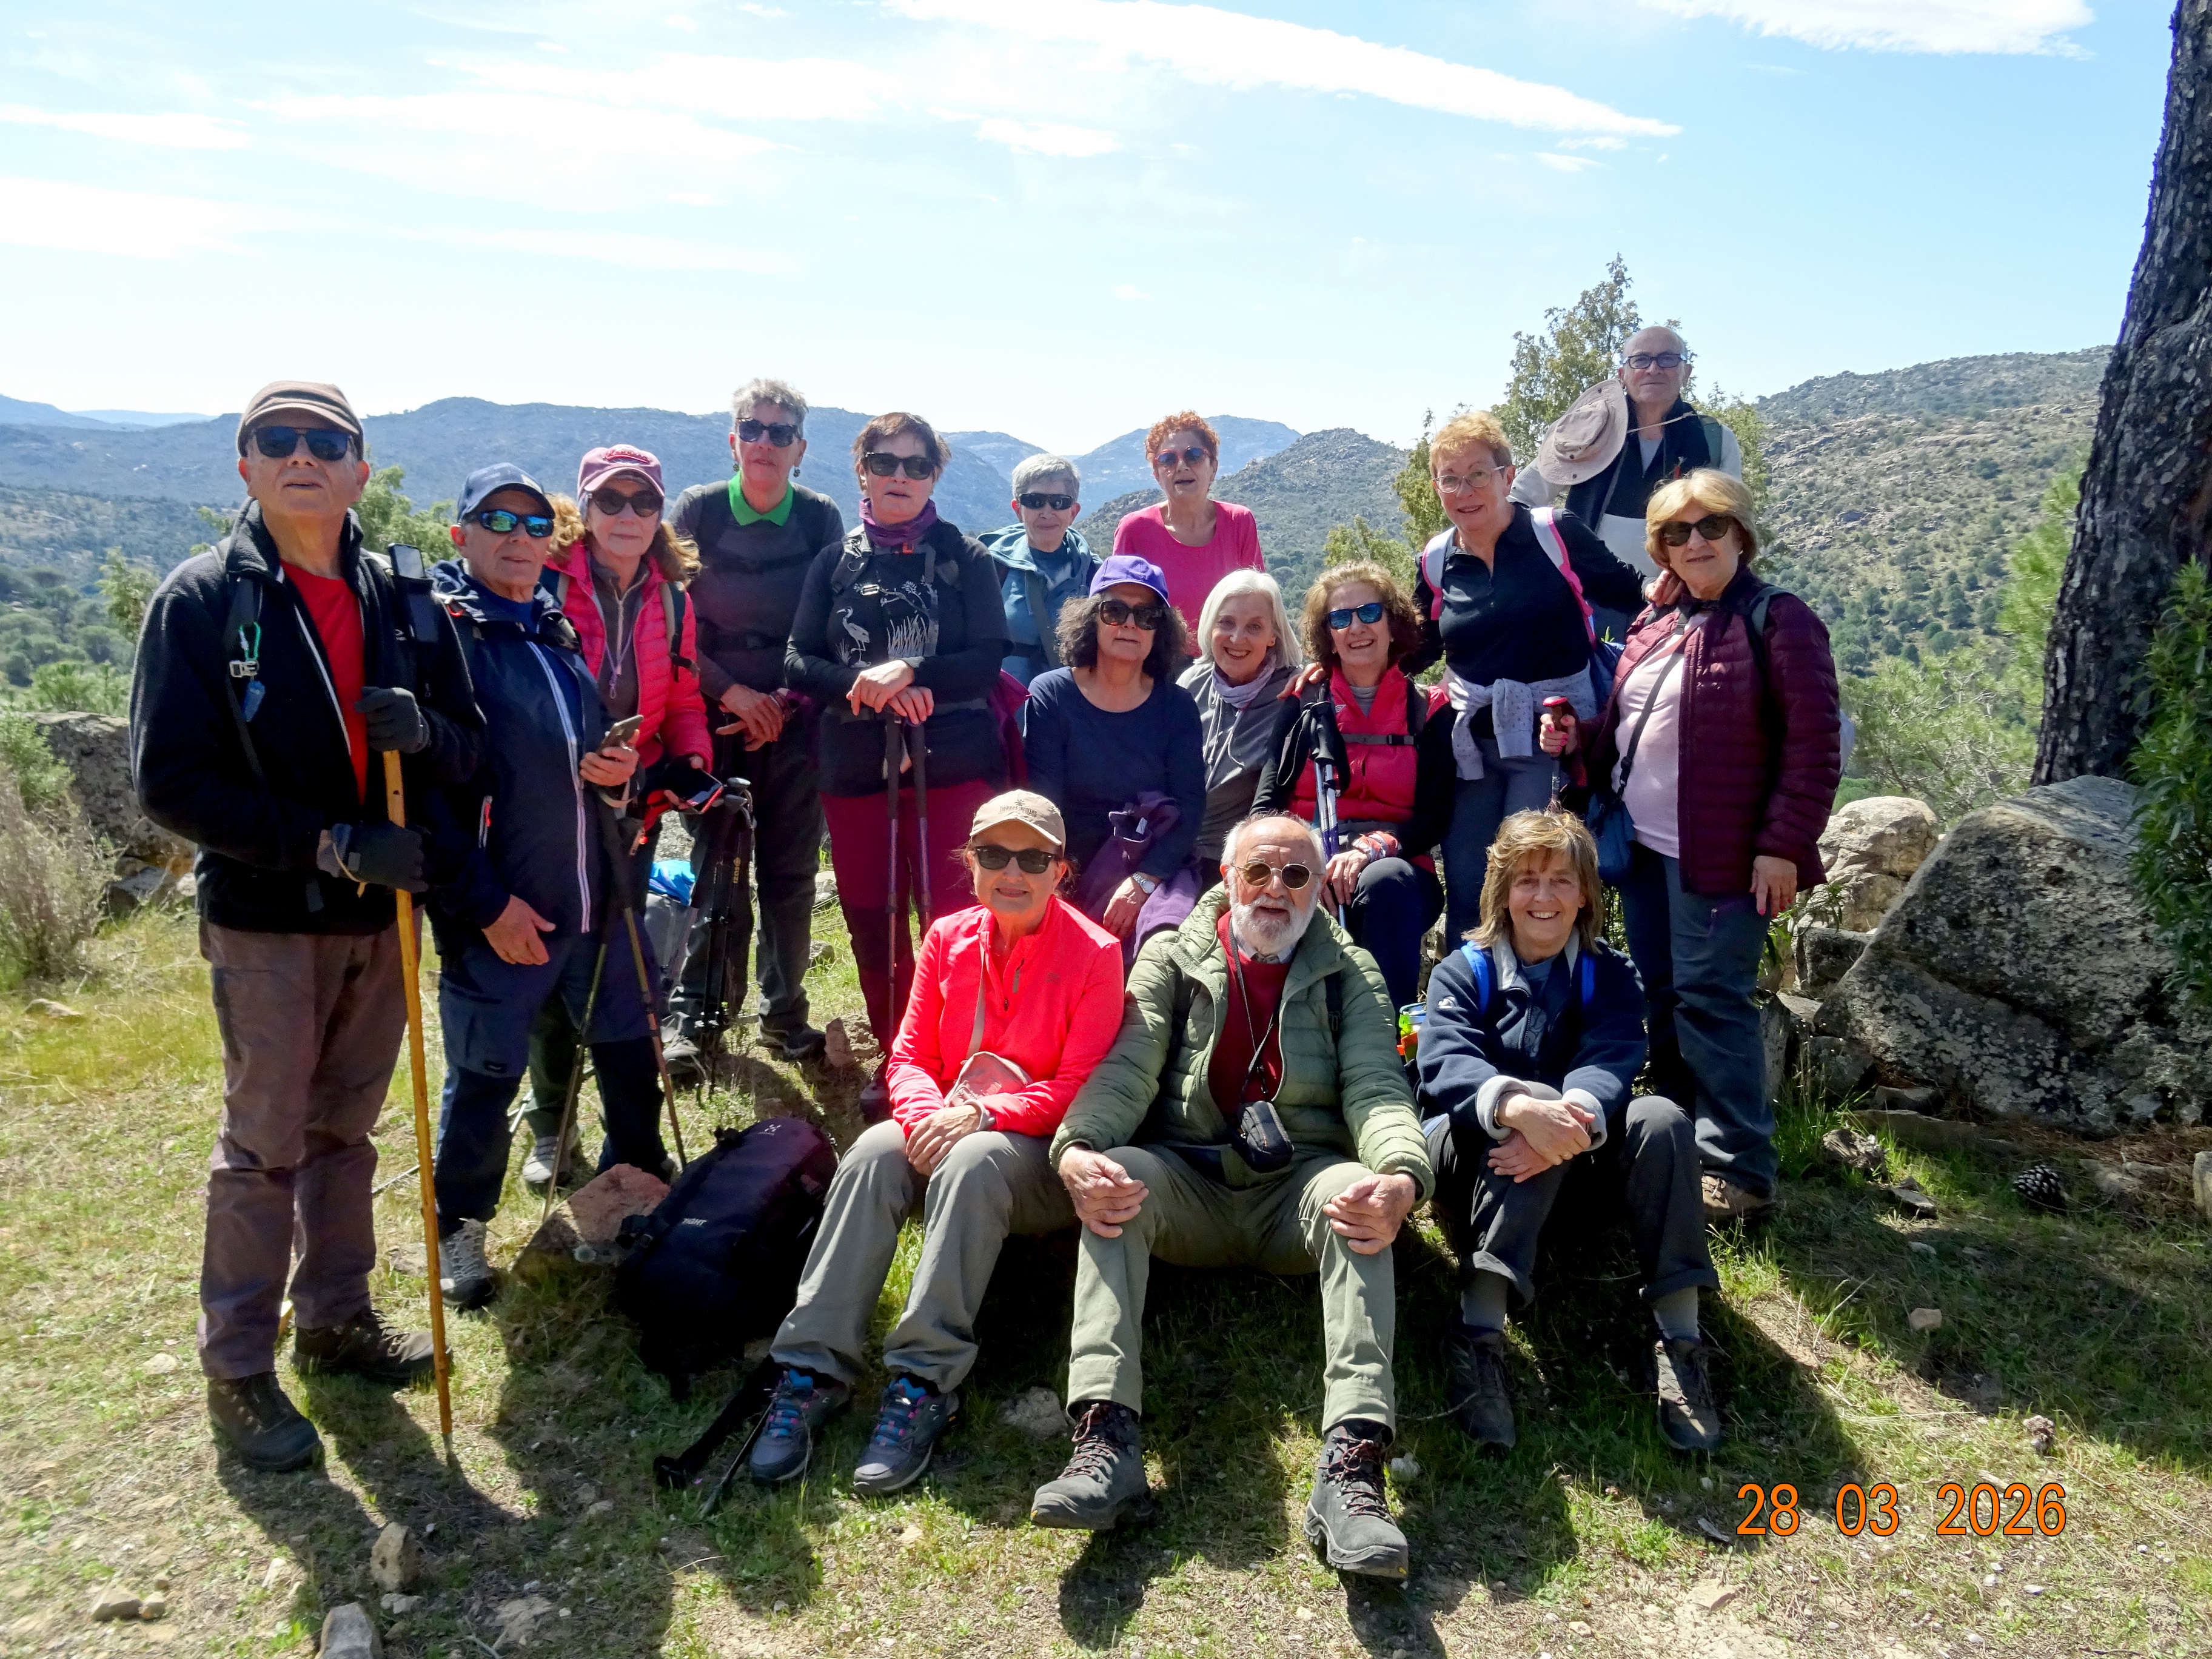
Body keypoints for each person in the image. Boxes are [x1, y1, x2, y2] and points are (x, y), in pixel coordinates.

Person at [131, 381, 484, 1471]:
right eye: (274, 441)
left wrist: (423, 730)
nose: (300, 457)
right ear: (243, 465)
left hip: (379, 920)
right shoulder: (199, 603)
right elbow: (168, 783)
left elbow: (471, 750)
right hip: (269, 917)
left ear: (360, 470)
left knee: (347, 1129)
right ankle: (237, 1367)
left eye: (324, 442)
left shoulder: (404, 602)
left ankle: (335, 1317)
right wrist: (328, 840)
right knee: (262, 1145)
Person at [1031, 813, 1433, 1580]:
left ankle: (1353, 1469)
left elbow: (1379, 1090)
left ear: (1320, 888)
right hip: (1189, 1181)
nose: (1275, 891)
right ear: (1228, 878)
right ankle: (1105, 1440)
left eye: (1295, 876)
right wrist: (1078, 1147)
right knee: (1119, 1179)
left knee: (1359, 1197)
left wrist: (1401, 1178)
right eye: (1259, 872)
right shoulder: (1170, 960)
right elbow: (1127, 1069)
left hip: (1298, 1191)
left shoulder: (1352, 973)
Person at [747, 792, 1124, 1494]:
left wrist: (978, 1116)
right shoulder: (947, 938)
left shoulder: (1096, 955)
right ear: (970, 862)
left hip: (1031, 1151)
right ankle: (810, 1367)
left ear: (1060, 870)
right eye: (993, 855)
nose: (1013, 872)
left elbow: (1080, 1088)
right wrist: (923, 1116)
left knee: (975, 1162)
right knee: (869, 1154)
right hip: (946, 1126)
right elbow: (910, 1055)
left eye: (1033, 858)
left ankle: (922, 1381)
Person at [1544, 470, 1841, 1225]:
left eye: (1711, 526)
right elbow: (1628, 729)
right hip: (1645, 847)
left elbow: (1813, 748)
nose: (1695, 542)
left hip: (1727, 857)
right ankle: (1675, 1140)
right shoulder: (1659, 623)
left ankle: (1741, 1169)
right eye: (1676, 533)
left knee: (1713, 1000)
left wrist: (1782, 846)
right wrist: (1576, 742)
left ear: (1741, 533)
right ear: (1660, 548)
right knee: (1664, 994)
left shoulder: (1780, 619)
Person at [420, 464, 658, 1309]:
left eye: (531, 524)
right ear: (462, 535)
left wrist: (616, 772)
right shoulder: (446, 640)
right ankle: (460, 1232)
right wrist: (484, 906)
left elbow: (584, 763)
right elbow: (426, 798)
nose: (518, 538)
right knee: (486, 1074)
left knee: (630, 1057)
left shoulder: (551, 632)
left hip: (597, 897)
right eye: (497, 521)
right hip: (507, 911)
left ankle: (637, 1204)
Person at [1416, 810, 1720, 1453]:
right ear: (1502, 892)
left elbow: (1613, 1055)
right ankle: (1477, 1331)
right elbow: (1446, 1064)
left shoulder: (1608, 974)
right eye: (1527, 880)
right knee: (1537, 1108)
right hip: (1471, 1162)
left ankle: (1681, 1339)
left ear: (1586, 893)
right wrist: (1521, 1108)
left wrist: (1565, 1119)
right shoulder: (1462, 970)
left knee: (1662, 1119)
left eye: (1561, 880)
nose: (1544, 897)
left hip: (1575, 1161)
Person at [785, 412, 1010, 1111]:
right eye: (886, 463)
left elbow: (988, 656)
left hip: (953, 767)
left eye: (917, 466)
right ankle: (901, 1055)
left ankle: (966, 1054)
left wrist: (911, 671)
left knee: (955, 916)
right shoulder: (835, 561)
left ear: (935, 476)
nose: (901, 477)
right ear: (863, 471)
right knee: (871, 915)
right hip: (855, 767)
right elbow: (797, 660)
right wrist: (866, 688)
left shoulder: (964, 556)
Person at [520, 444, 710, 1188]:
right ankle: (550, 1128)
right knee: (554, 967)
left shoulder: (673, 599)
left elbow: (686, 698)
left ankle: (628, 1148)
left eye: (643, 503)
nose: (627, 515)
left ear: (661, 514)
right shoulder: (543, 583)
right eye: (611, 501)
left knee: (621, 971)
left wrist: (690, 763)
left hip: (634, 809)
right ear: (585, 507)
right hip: (547, 813)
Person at [1401, 409, 1645, 943]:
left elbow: (1634, 595)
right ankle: (1470, 1010)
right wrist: (1332, 675)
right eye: (1450, 479)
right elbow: (1414, 649)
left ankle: (1540, 1010)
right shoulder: (1437, 559)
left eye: (1478, 475)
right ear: (1438, 487)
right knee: (1468, 886)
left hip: (1551, 743)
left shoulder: (1554, 534)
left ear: (1509, 478)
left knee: (1530, 879)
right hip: (1473, 747)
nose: (1464, 491)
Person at [668, 379, 846, 1075]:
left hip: (796, 724)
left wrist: (781, 703)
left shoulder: (819, 518)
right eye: (754, 428)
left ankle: (784, 1016)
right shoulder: (699, 512)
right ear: (733, 438)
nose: (765, 442)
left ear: (799, 447)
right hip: (712, 722)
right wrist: (734, 694)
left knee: (790, 875)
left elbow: (834, 625)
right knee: (715, 872)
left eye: (781, 432)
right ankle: (698, 1021)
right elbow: (674, 623)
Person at [1252, 563, 1453, 1011]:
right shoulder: (1303, 701)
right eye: (1340, 619)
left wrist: (1371, 849)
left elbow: (1436, 815)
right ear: (1328, 635)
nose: (1356, 628)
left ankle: (1384, 1038)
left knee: (1383, 884)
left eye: (1369, 613)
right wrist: (1306, 861)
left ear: (1392, 621)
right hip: (1306, 853)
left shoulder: (1429, 710)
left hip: (1395, 865)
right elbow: (1267, 802)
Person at [1021, 556, 1205, 951]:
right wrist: (1053, 887)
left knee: (1162, 951)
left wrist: (1143, 883)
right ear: (1092, 618)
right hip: (1068, 869)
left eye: (1147, 615)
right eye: (1115, 610)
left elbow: (1190, 810)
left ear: (1162, 629)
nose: (1130, 624)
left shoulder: (1177, 707)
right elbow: (1043, 808)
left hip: (1154, 867)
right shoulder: (1052, 696)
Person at [1510, 326, 1743, 639]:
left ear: (1686, 372)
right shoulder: (1589, 432)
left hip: (1678, 603)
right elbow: (1521, 497)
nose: (1653, 369)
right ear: (1623, 373)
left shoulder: (1713, 439)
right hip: (1587, 599)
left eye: (1667, 359)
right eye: (1641, 360)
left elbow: (1734, 523)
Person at [1177, 569, 1300, 876]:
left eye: (1254, 627)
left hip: (1235, 862)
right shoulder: (1192, 683)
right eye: (1226, 622)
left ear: (1274, 635)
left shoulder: (1293, 692)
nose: (1237, 638)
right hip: (1171, 847)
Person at [1108, 412, 1265, 624]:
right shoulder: (1134, 530)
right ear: (1157, 474)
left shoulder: (1239, 522)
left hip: (1228, 655)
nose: (1181, 466)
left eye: (1193, 456)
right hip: (1157, 657)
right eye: (1168, 459)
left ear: (1213, 467)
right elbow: (1117, 611)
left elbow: (1259, 603)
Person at [982, 454, 1099, 686]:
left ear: (1073, 512)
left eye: (1059, 502)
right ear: (1018, 509)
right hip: (1005, 711)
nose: (1047, 512)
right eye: (1035, 501)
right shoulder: (989, 566)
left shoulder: (1093, 573)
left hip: (1069, 710)